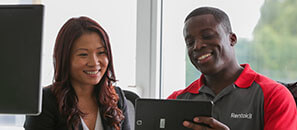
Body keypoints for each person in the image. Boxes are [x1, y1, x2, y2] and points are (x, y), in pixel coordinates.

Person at [167, 7, 297, 130]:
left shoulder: (274, 96)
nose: (197, 46)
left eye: (207, 36)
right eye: (190, 42)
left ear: (232, 39)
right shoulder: (175, 100)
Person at [24, 16, 130, 130]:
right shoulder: (45, 102)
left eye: (101, 52)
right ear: (65, 58)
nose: (94, 63)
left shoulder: (116, 98)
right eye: (83, 54)